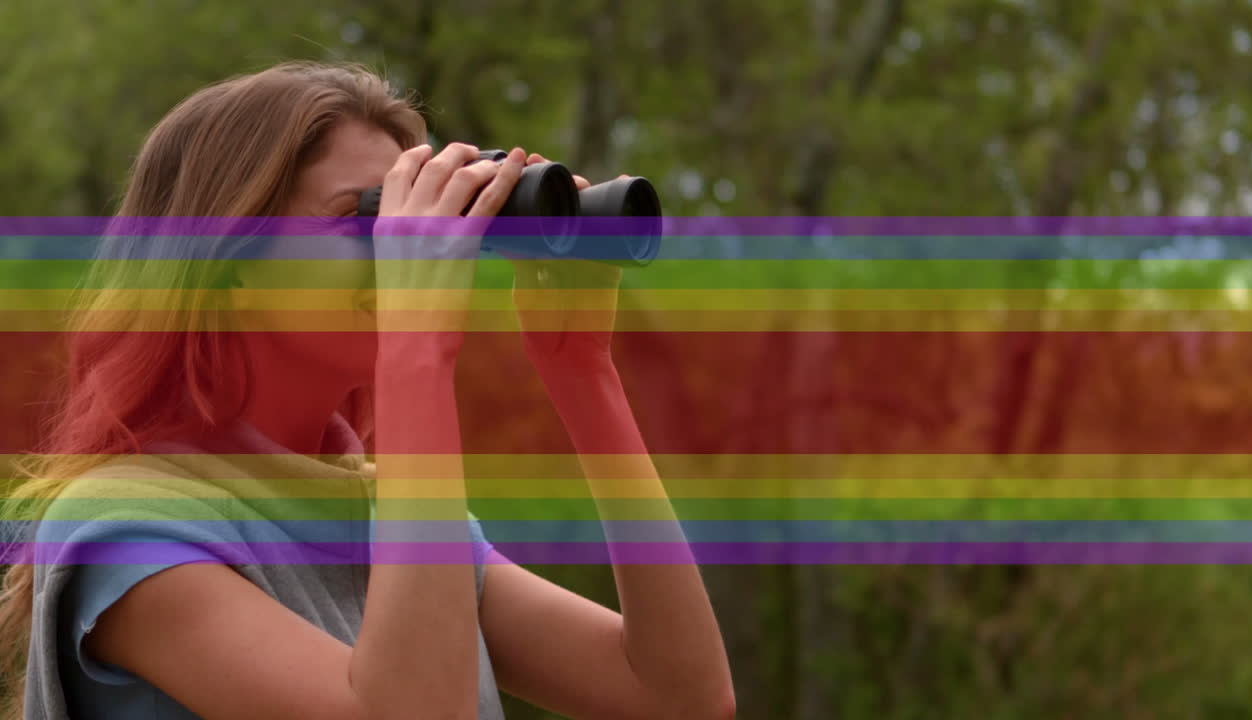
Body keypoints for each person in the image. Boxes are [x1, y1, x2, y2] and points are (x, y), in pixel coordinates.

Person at [0, 61, 734, 720]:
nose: (399, 252)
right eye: (367, 218)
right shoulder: (125, 531)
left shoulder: (386, 516)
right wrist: (417, 340)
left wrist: (582, 368)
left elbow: (677, 697)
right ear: (227, 263)